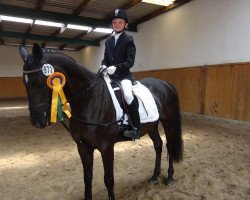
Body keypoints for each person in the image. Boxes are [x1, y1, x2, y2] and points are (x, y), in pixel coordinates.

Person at [99, 8, 140, 140]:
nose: (117, 25)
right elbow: (105, 58)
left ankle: (136, 127)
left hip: (124, 76)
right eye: (115, 22)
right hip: (109, 76)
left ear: (125, 24)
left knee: (128, 95)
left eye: (120, 22)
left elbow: (130, 62)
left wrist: (116, 68)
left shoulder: (129, 40)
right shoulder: (108, 41)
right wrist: (104, 65)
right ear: (112, 24)